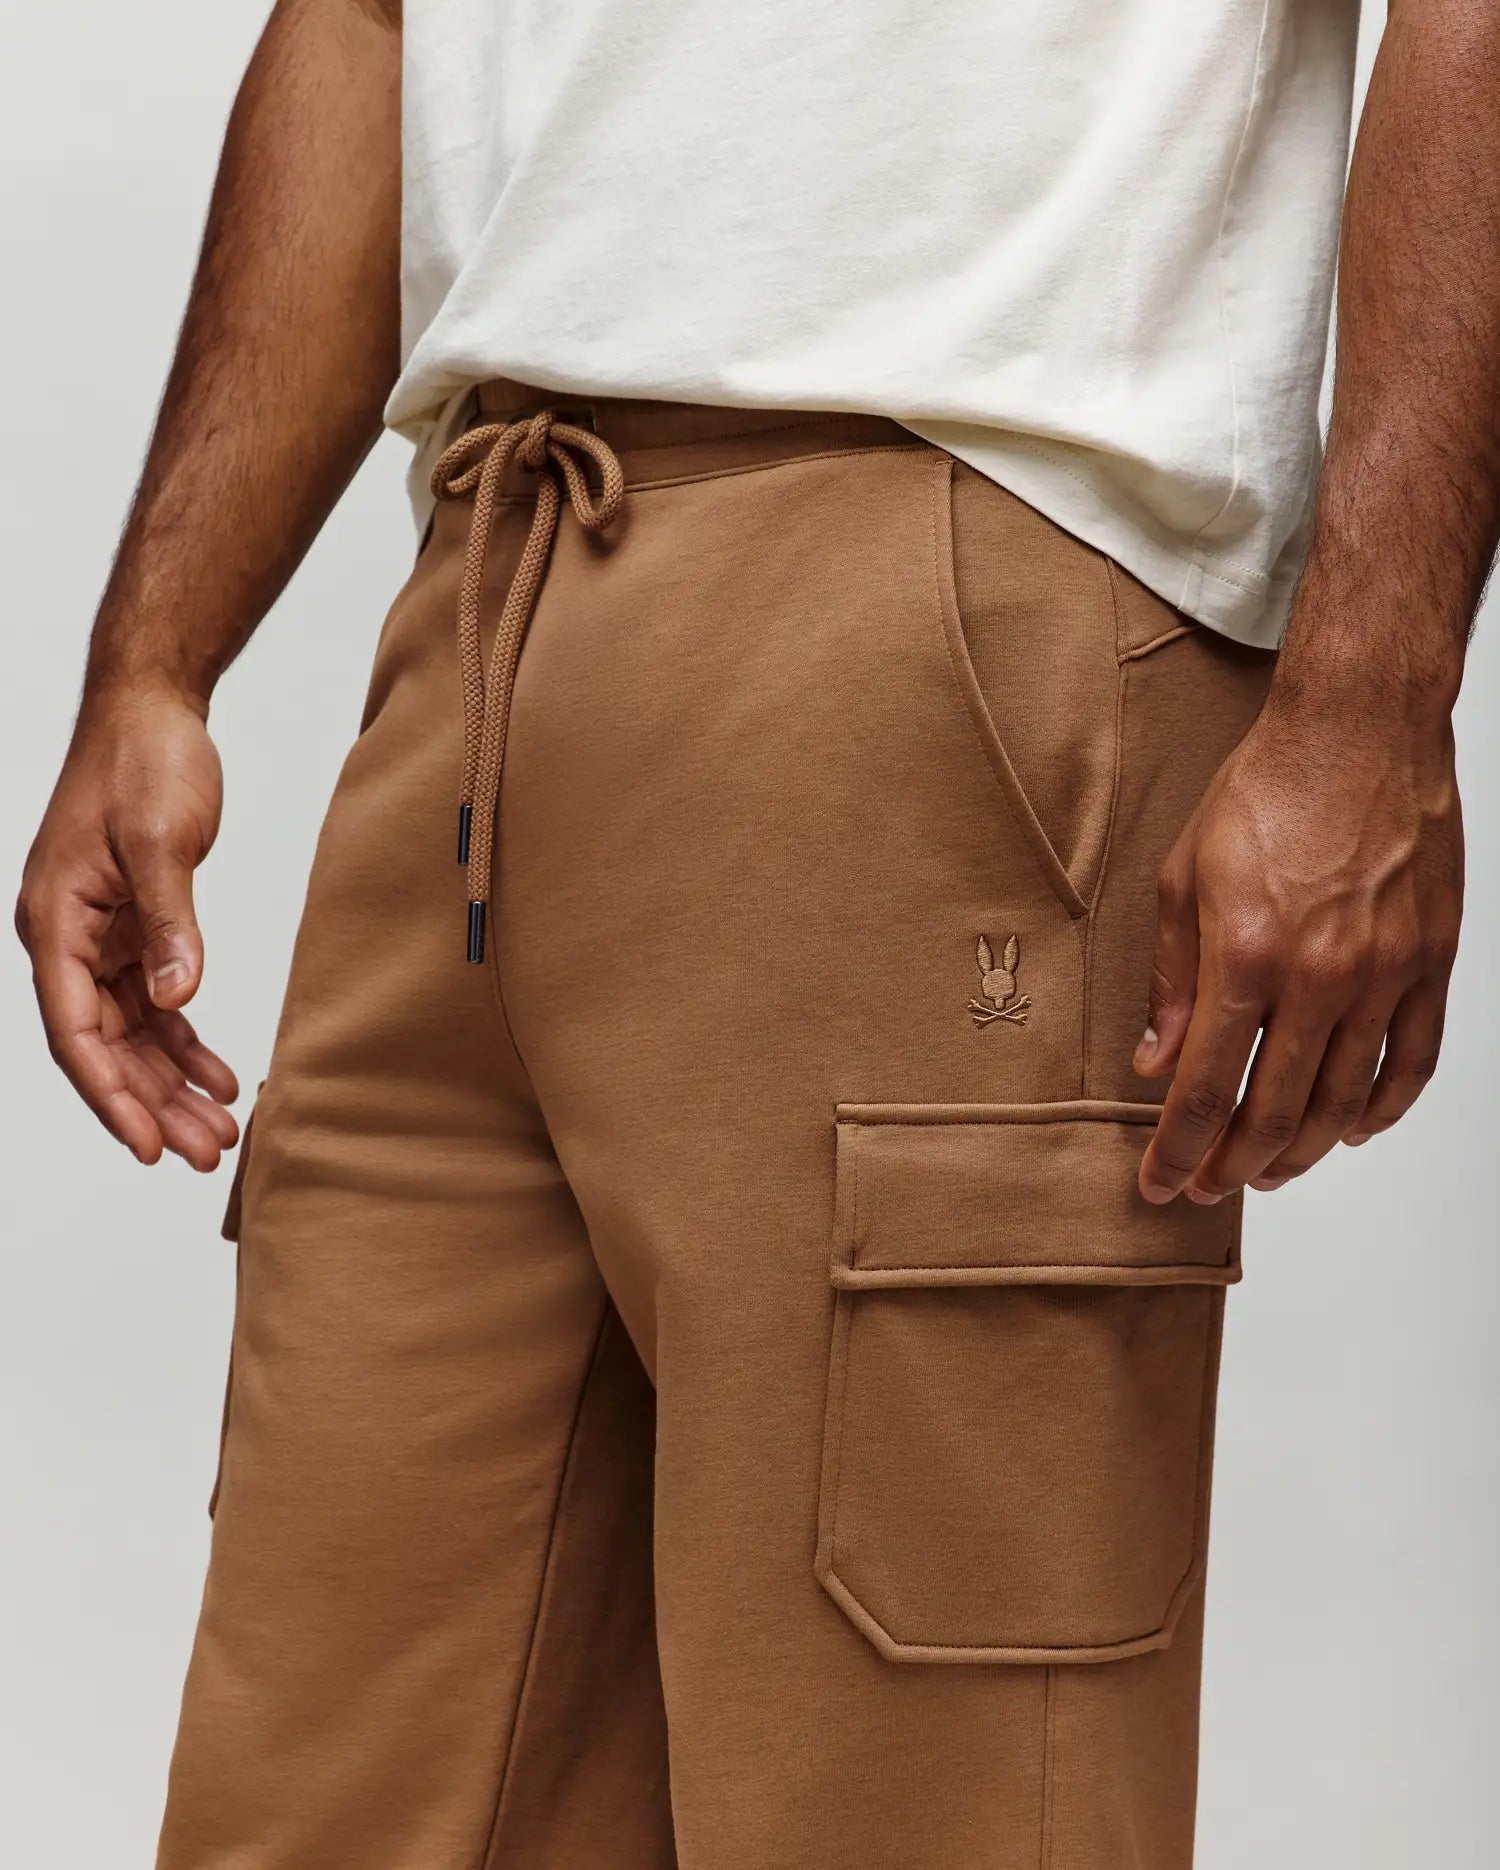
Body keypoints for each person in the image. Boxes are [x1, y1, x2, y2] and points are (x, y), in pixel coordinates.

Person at [15, 1, 1492, 1864]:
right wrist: (156, 655)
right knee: (318, 1797)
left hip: (956, 587)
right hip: (490, 594)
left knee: (922, 1814)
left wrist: (1372, 699)